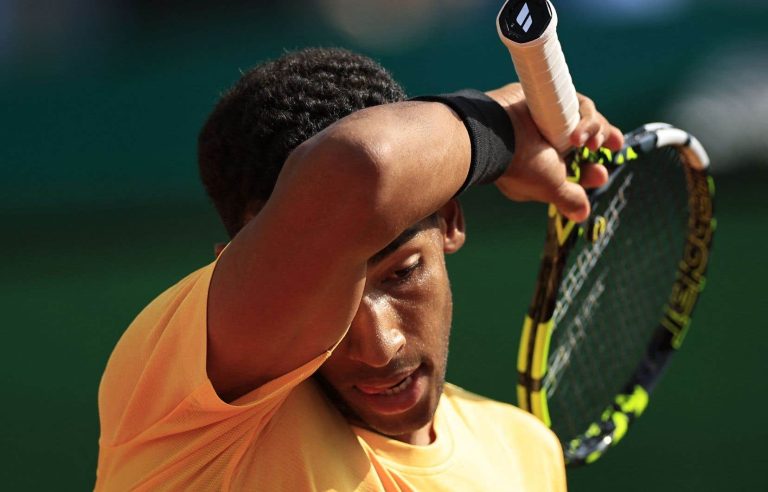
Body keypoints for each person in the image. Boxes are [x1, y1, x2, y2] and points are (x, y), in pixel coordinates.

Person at [95, 47, 622, 491]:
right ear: (236, 274)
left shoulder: (525, 452)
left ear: (451, 221)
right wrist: (499, 124)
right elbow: (358, 168)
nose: (380, 346)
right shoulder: (169, 397)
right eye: (330, 292)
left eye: (401, 273)